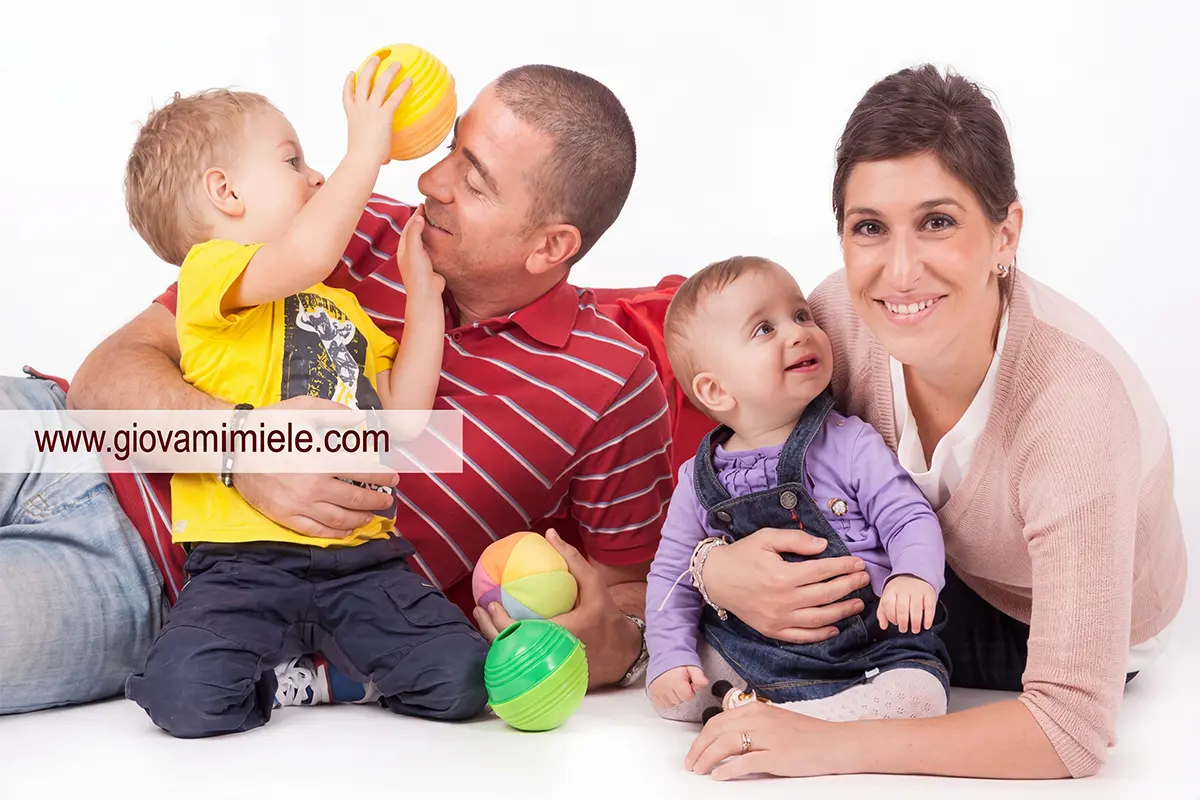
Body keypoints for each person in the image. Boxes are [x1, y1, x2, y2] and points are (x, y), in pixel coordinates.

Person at [0, 63, 672, 716]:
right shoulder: (344, 222)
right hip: (54, 431)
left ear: (550, 247)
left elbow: (629, 595)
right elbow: (105, 374)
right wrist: (242, 449)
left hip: (162, 584)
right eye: (448, 148)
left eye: (473, 179)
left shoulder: (611, 381)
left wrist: (615, 644)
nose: (429, 181)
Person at [682, 64, 1188, 781]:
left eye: (938, 223)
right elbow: (743, 449)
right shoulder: (836, 323)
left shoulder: (1073, 406)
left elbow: (1071, 727)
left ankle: (779, 705)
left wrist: (825, 748)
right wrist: (716, 572)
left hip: (1045, 615)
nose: (899, 271)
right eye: (869, 229)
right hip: (923, 570)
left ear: (1006, 233)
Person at [118, 56, 499, 736]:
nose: (318, 175)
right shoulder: (210, 276)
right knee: (186, 698)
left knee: (465, 678)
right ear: (225, 193)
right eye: (293, 161)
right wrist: (368, 151)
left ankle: (330, 679)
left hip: (362, 557)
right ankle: (275, 678)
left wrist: (423, 298)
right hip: (240, 562)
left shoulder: (341, 309)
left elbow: (405, 416)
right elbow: (307, 252)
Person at [645, 256, 950, 724]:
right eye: (764, 329)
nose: (799, 331)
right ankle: (773, 700)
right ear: (716, 390)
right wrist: (670, 657)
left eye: (801, 314)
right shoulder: (698, 478)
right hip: (759, 647)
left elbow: (908, 516)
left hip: (872, 646)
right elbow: (672, 576)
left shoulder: (849, 442)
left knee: (920, 696)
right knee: (678, 694)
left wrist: (913, 577)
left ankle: (796, 715)